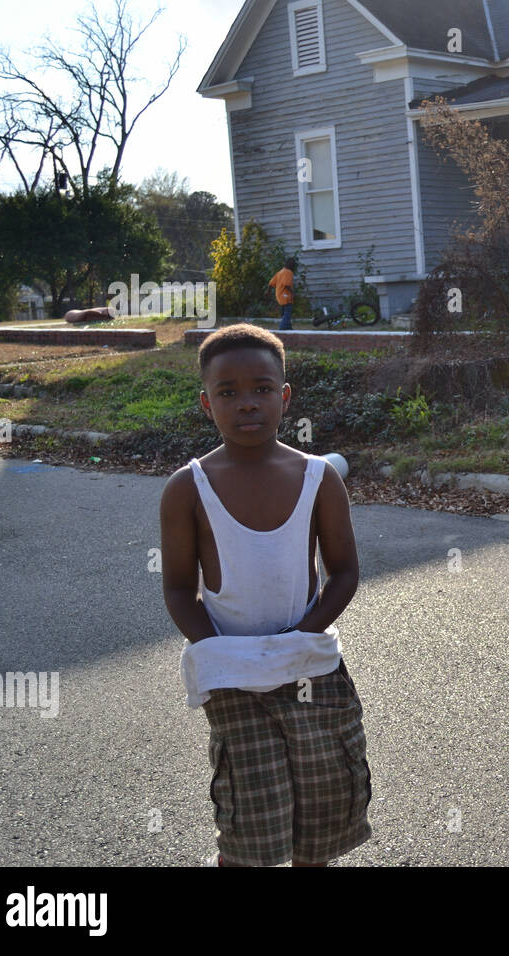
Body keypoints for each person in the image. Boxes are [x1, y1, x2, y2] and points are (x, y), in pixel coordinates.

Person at [159, 323, 370, 866]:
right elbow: (181, 590)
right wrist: (227, 656)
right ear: (207, 404)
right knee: (250, 824)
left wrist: (301, 636)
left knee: (322, 814)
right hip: (233, 681)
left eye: (261, 388)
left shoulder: (319, 478)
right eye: (228, 393)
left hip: (311, 672)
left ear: (285, 395)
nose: (246, 403)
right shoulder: (188, 488)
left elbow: (344, 572)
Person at [268, 258, 296, 330]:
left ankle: (289, 328)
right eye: (292, 264)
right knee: (287, 313)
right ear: (288, 264)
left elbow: (271, 283)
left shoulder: (280, 272)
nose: (293, 265)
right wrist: (293, 293)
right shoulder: (288, 272)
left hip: (279, 296)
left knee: (284, 313)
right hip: (285, 296)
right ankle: (282, 328)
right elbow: (286, 284)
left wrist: (268, 292)